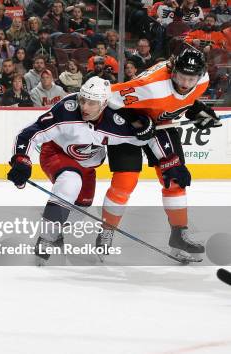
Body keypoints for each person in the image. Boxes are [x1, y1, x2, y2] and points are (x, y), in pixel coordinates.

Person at [6, 77, 160, 265]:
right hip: (56, 153)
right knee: (71, 183)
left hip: (86, 166)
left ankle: (56, 228)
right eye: (83, 100)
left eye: (92, 102)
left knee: (81, 207)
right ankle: (46, 238)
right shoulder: (67, 109)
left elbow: (144, 138)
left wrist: (148, 127)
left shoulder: (115, 121)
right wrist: (21, 160)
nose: (85, 107)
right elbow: (30, 133)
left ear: (104, 103)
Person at [100, 48, 221, 260]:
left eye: (190, 79)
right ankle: (107, 231)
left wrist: (198, 112)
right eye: (181, 77)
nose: (185, 84)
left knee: (176, 178)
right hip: (127, 125)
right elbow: (109, 99)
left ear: (200, 75)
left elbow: (184, 100)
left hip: (160, 124)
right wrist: (137, 120)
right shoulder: (151, 86)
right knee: (125, 182)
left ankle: (178, 236)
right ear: (173, 71)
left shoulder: (202, 81)